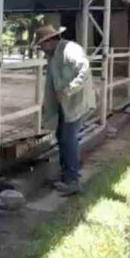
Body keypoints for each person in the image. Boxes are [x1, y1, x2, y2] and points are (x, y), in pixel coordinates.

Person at [35, 25, 96, 196]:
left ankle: (72, 181)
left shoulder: (71, 50)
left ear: (50, 41)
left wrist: (69, 90)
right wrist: (48, 104)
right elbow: (52, 83)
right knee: (62, 138)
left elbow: (84, 70)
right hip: (65, 104)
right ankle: (67, 177)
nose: (40, 49)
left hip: (76, 103)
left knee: (69, 140)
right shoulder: (52, 55)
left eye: (41, 44)